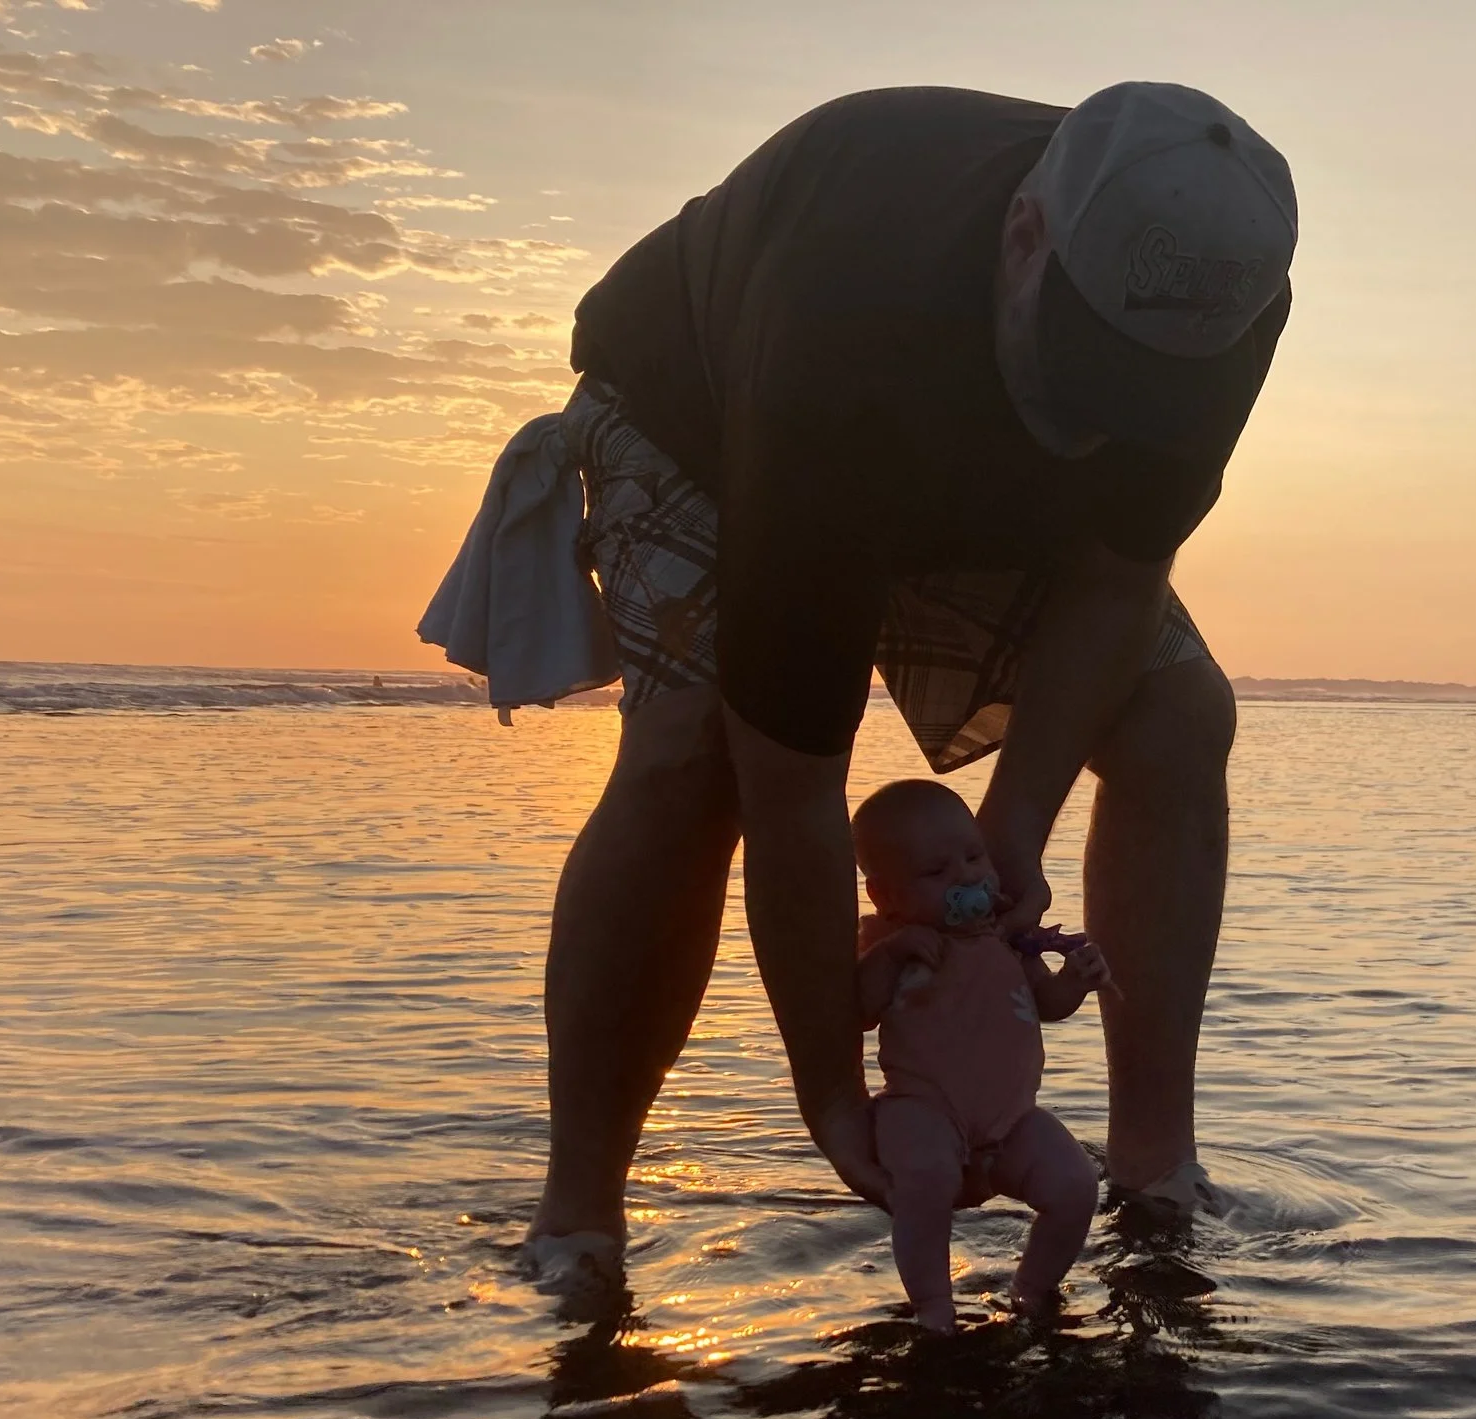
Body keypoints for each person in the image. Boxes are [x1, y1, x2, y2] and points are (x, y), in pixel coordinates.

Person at [521, 82, 1296, 1295]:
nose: (1100, 429)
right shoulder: (845, 325)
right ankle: (579, 1218)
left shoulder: (1225, 300)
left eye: (1135, 395)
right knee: (692, 757)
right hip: (700, 413)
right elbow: (793, 788)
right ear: (1025, 233)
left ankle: (1155, 1167)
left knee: (1178, 720)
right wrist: (831, 1091)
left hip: (969, 474)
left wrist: (1015, 830)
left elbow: (1114, 577)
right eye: (1088, 367)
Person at [852, 780, 1111, 1330]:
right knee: (923, 1178)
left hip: (1012, 1118)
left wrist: (1077, 981)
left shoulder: (1008, 939)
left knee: (1075, 1185)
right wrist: (891, 954)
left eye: (974, 857)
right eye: (936, 872)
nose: (967, 877)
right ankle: (933, 1306)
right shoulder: (887, 939)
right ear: (885, 895)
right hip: (922, 1106)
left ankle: (1032, 1289)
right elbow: (858, 1011)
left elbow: (1049, 1005)